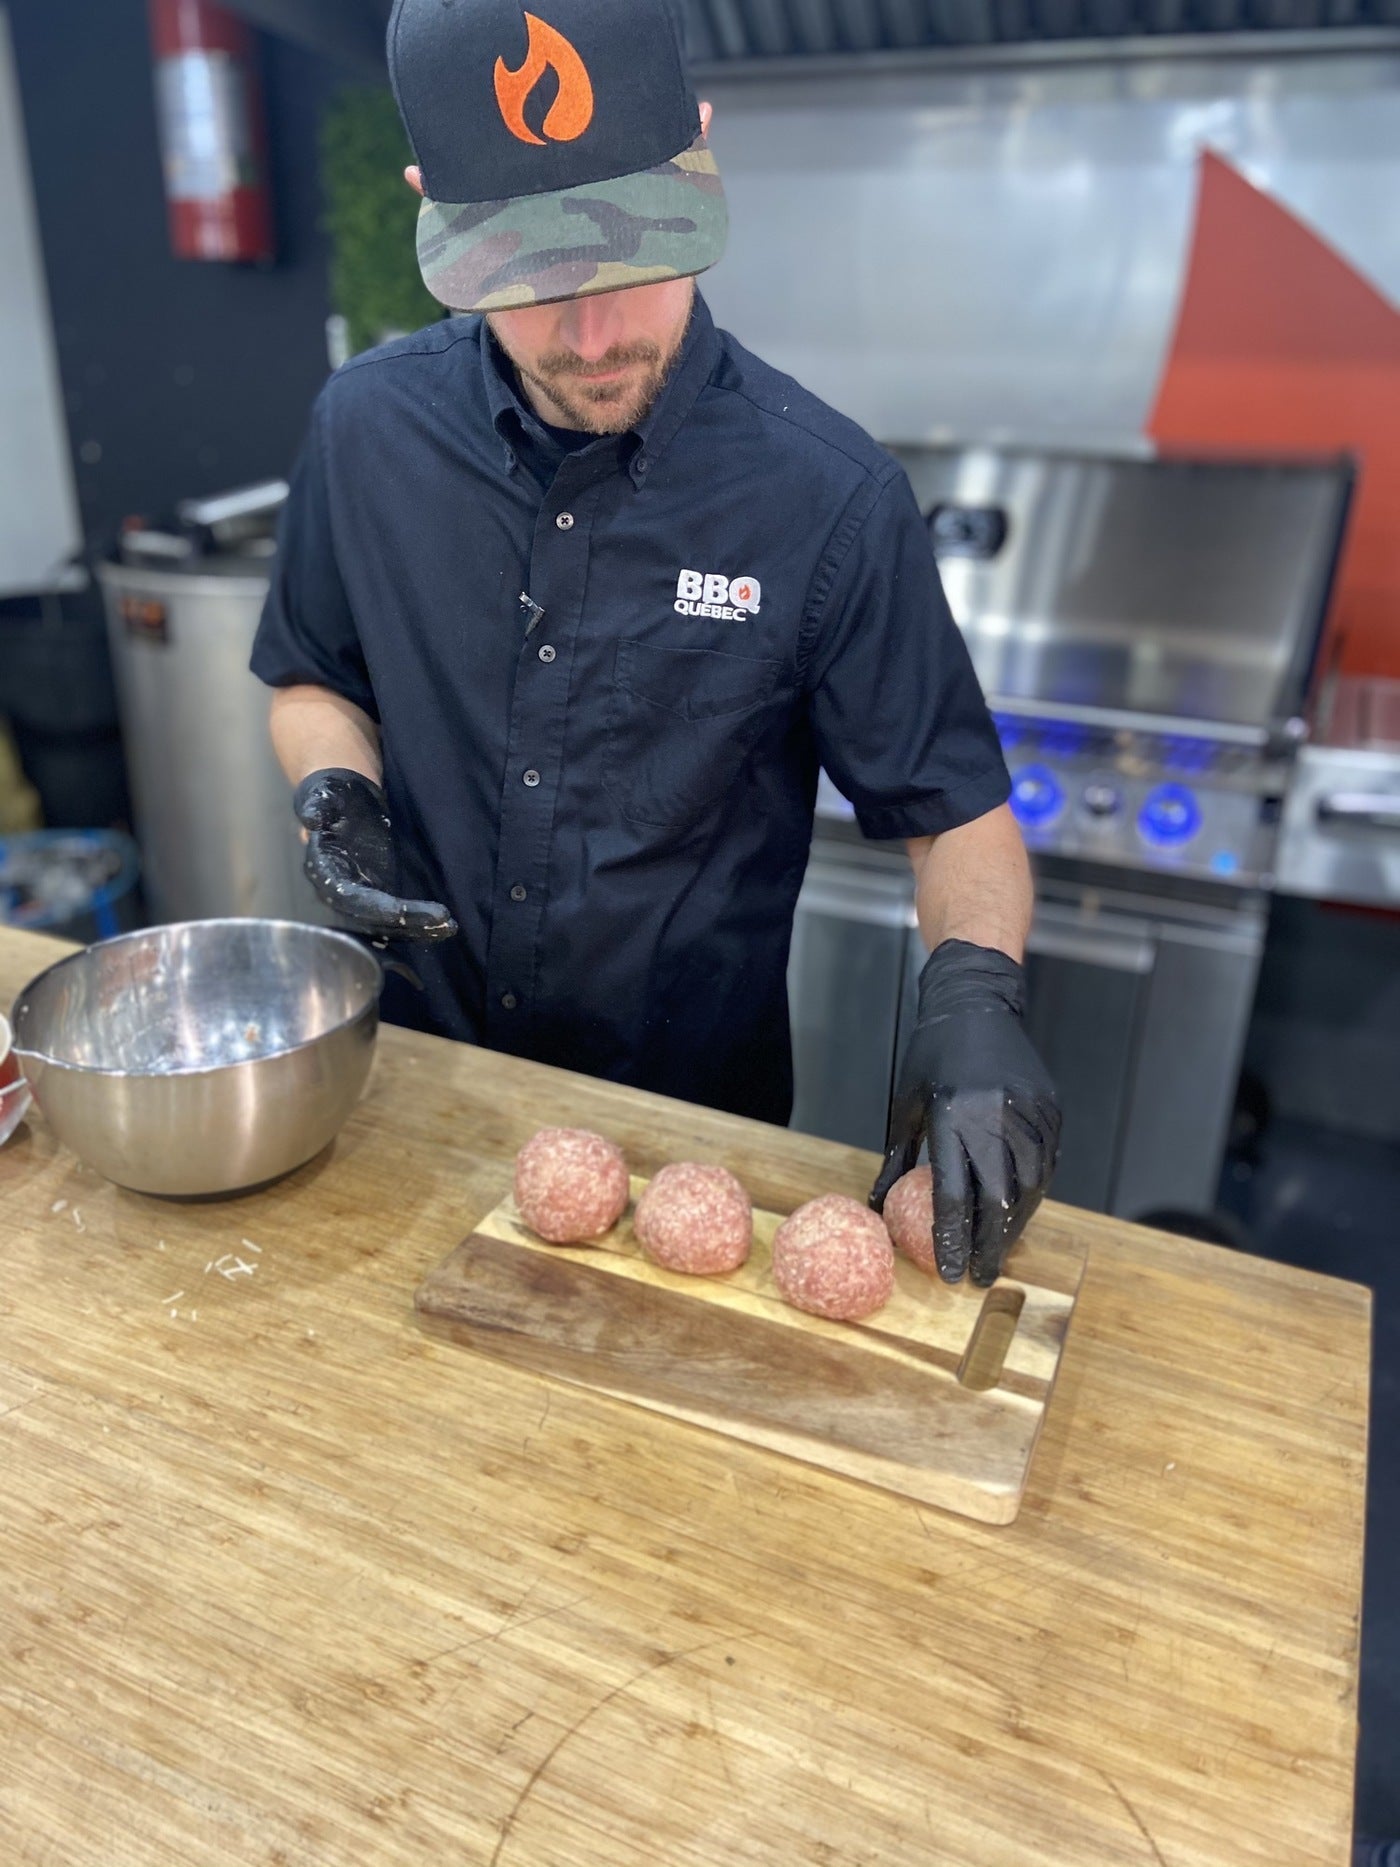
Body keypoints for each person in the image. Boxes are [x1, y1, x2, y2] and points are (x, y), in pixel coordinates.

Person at [251, 0, 1060, 1286]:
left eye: (629, 254)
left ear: (698, 145)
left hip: (700, 1131)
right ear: (431, 200)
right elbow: (310, 674)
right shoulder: (365, 432)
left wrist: (974, 996)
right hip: (411, 1095)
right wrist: (334, 788)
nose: (592, 336)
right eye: (534, 280)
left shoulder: (827, 500)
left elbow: (951, 812)